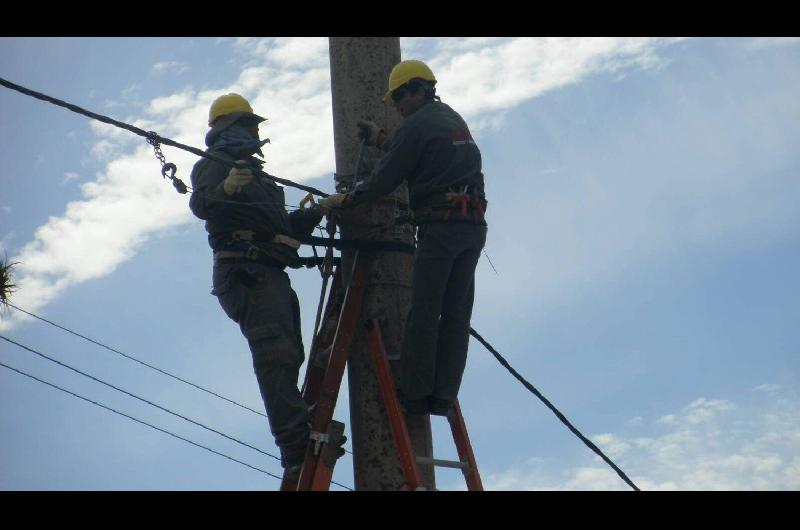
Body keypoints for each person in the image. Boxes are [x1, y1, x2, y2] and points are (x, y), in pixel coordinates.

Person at [320, 60, 488, 416]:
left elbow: (385, 178)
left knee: (425, 310)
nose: (396, 104)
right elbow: (418, 152)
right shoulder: (451, 119)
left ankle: (414, 393)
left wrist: (347, 199)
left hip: (440, 230)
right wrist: (383, 140)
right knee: (456, 314)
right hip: (471, 229)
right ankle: (442, 396)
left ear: (416, 90)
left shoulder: (415, 126)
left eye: (398, 96)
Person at [189, 93, 324, 476]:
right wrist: (226, 188)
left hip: (268, 272)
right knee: (276, 355)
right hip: (245, 273)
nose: (255, 131)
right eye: (249, 125)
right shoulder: (216, 165)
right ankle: (294, 444)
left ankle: (295, 427)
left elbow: (283, 232)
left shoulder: (259, 177)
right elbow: (202, 205)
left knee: (290, 353)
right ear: (228, 127)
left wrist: (317, 214)